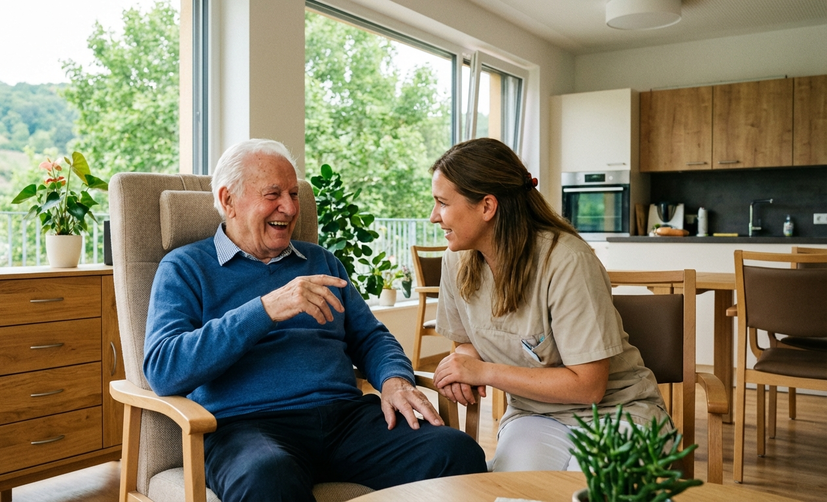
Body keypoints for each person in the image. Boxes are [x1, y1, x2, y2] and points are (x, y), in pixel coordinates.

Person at [144, 138, 486, 501]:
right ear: (228, 200)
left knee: (456, 452)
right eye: (273, 194)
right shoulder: (184, 268)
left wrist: (394, 378)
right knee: (267, 479)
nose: (290, 208)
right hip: (247, 427)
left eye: (293, 193)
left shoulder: (320, 261)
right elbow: (164, 369)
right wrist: (265, 309)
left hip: (346, 419)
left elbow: (370, 337)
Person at [429, 137, 669, 472]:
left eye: (442, 203)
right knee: (516, 497)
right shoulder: (456, 263)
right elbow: (468, 339)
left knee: (593, 495)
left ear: (487, 206)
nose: (433, 217)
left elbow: (590, 387)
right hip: (534, 415)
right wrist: (465, 361)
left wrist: (484, 371)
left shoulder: (566, 260)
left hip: (618, 413)